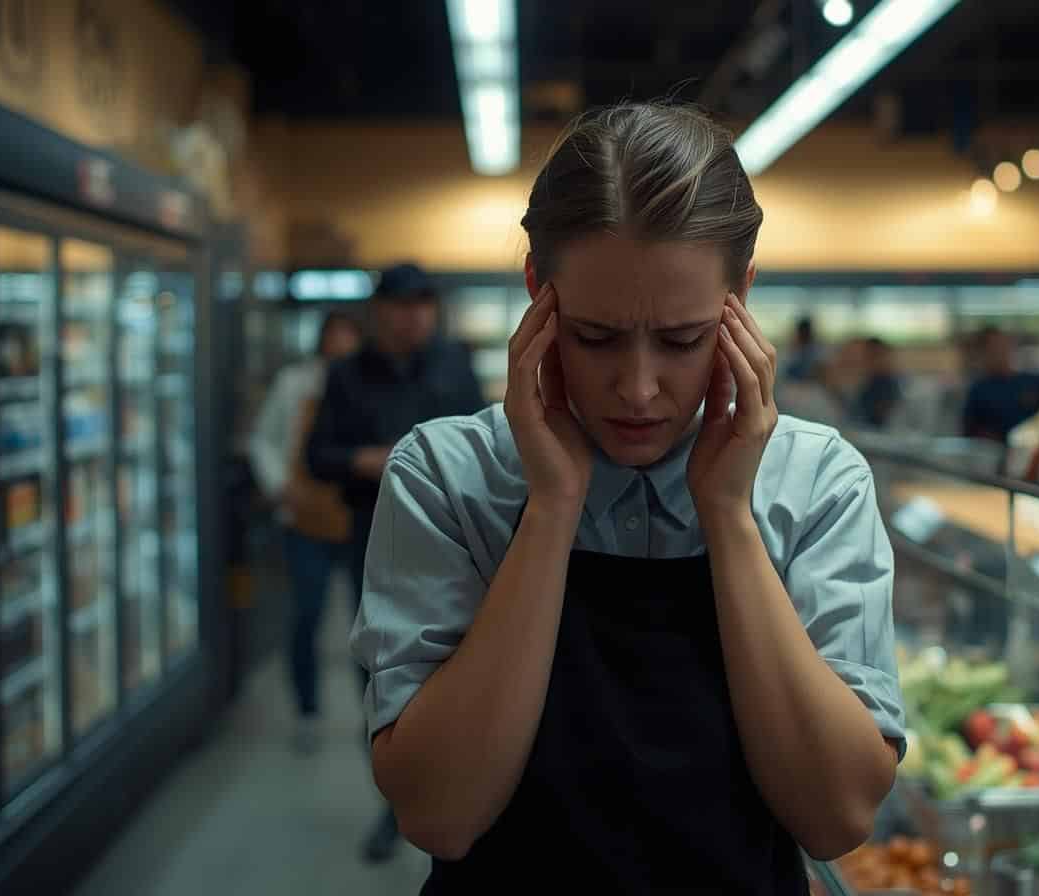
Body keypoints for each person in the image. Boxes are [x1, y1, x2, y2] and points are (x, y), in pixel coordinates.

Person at [352, 102, 904, 892]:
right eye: (595, 337)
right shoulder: (446, 477)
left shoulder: (816, 482)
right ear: (538, 293)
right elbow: (440, 813)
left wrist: (729, 516)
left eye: (682, 340)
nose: (638, 390)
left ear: (740, 298)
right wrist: (550, 507)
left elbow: (836, 816)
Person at [305, 262, 486, 862]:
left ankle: (463, 799)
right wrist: (370, 461)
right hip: (375, 549)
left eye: (423, 307)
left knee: (463, 671)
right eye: (402, 308)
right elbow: (318, 458)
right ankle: (395, 803)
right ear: (379, 313)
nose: (413, 319)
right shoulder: (346, 377)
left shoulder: (454, 367)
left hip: (458, 548)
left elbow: (492, 445)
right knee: (382, 681)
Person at [247, 311, 363, 754]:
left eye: (348, 335)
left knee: (369, 622)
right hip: (303, 519)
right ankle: (308, 710)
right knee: (307, 614)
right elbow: (264, 439)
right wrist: (280, 486)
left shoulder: (362, 386)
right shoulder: (294, 383)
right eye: (335, 336)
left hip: (354, 519)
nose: (341, 344)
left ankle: (373, 715)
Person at [961, 325, 1039, 443]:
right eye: (992, 348)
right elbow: (971, 436)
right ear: (982, 353)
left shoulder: (1035, 382)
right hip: (999, 456)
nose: (1000, 352)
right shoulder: (978, 391)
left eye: (1002, 345)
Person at [851, 336, 904, 429]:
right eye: (868, 357)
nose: (874, 361)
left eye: (878, 356)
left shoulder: (902, 386)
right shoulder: (860, 385)